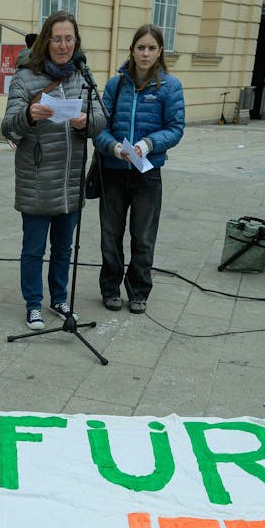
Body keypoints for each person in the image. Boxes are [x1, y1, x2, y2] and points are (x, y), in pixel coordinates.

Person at [1, 11, 106, 330]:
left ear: (76, 42)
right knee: (33, 249)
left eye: (69, 39)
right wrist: (29, 115)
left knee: (63, 247)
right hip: (37, 179)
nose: (63, 45)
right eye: (57, 39)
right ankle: (33, 303)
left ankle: (59, 298)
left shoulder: (82, 75)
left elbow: (102, 117)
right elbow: (7, 125)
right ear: (47, 40)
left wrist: (87, 122)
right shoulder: (25, 77)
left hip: (70, 181)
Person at [95, 24, 184, 314]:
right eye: (140, 47)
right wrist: (113, 148)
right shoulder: (115, 85)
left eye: (152, 48)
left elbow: (175, 128)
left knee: (143, 236)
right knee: (110, 234)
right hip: (113, 170)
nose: (145, 53)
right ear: (132, 50)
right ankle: (110, 288)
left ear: (160, 53)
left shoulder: (170, 87)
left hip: (148, 172)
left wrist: (148, 144)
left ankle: (138, 291)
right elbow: (100, 128)